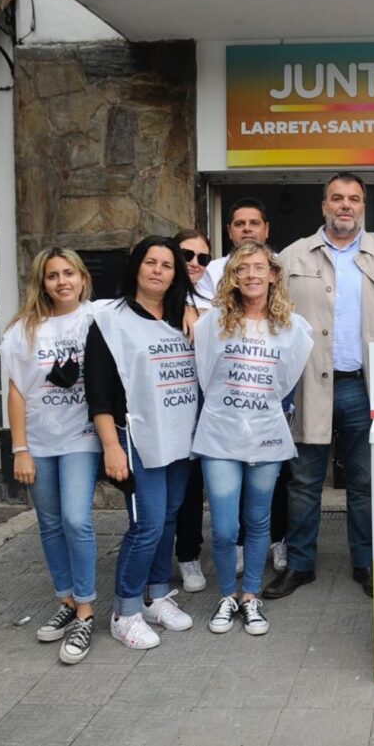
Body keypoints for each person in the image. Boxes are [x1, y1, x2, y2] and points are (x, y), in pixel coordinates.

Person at [264, 172, 374, 600]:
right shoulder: (291, 256)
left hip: (365, 387)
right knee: (303, 482)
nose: (346, 205)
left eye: (354, 199)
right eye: (337, 198)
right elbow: (272, 318)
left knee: (365, 483)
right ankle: (300, 565)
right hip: (308, 385)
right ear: (324, 205)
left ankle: (366, 563)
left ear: (363, 206)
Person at [192, 242, 312, 635]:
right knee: (225, 528)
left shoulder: (292, 327)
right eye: (242, 269)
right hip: (220, 434)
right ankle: (227, 595)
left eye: (259, 267)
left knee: (259, 521)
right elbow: (205, 375)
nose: (251, 275)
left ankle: (250, 597)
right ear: (232, 277)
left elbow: (287, 380)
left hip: (266, 434)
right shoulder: (211, 323)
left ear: (273, 274)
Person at [85, 236, 199, 649]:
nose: (158, 271)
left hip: (179, 435)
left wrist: (194, 311)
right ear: (136, 266)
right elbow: (98, 392)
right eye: (151, 262)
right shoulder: (109, 320)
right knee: (147, 523)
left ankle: (155, 596)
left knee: (168, 516)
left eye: (167, 265)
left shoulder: (182, 318)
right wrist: (111, 446)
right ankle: (125, 611)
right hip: (136, 436)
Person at [0, 247, 101, 665]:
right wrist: (20, 449)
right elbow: (16, 392)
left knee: (77, 519)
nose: (62, 282)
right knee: (51, 523)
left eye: (69, 273)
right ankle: (67, 600)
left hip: (82, 435)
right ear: (42, 283)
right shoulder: (24, 330)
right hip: (39, 441)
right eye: (53, 275)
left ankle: (87, 610)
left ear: (82, 278)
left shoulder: (99, 317)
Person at [171, 229, 214, 594]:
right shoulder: (154, 297)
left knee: (197, 480)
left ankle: (191, 553)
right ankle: (172, 558)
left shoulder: (213, 297)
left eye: (203, 258)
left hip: (209, 401)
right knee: (175, 485)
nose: (195, 263)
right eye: (187, 255)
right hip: (167, 404)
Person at [195, 198, 272, 301]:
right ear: (229, 231)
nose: (247, 228)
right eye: (239, 224)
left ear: (266, 229)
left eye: (254, 223)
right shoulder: (211, 271)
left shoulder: (283, 264)